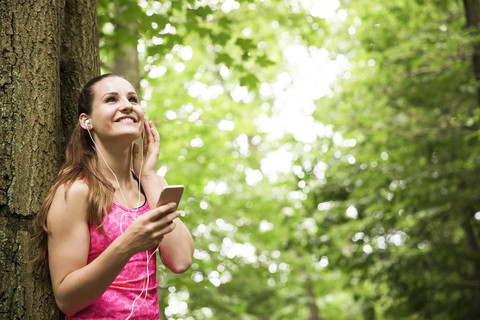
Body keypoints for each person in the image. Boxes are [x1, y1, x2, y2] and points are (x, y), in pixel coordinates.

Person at [33, 73, 194, 319]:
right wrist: (128, 244)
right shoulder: (76, 191)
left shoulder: (150, 184)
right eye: (111, 100)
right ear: (87, 121)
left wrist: (149, 175)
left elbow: (181, 260)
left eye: (133, 99)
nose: (127, 105)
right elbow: (67, 299)